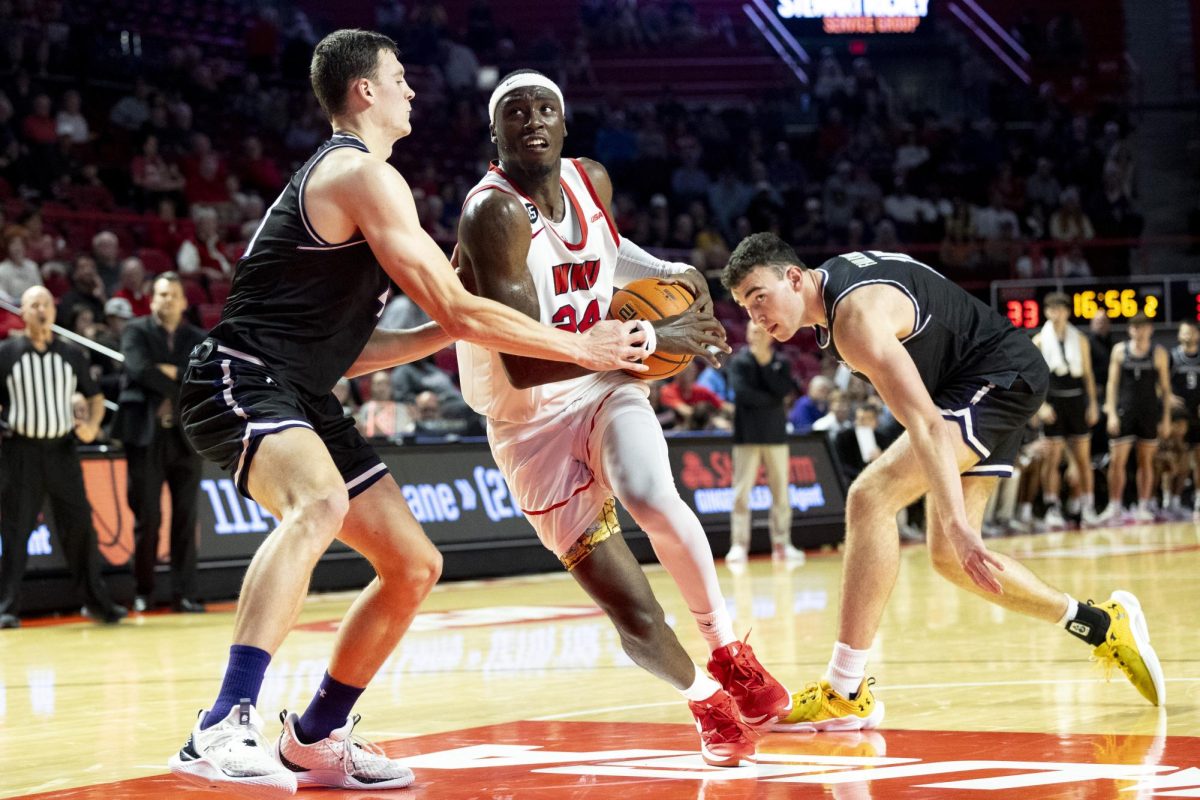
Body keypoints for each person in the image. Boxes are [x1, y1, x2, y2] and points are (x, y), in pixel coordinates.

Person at [168, 31, 647, 796]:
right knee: (317, 502)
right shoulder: (360, 172)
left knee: (415, 564)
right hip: (239, 375)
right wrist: (582, 347)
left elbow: (356, 353)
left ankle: (317, 737)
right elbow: (459, 303)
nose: (411, 92)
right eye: (399, 79)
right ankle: (221, 724)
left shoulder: (365, 182)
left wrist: (447, 324)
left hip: (303, 386)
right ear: (364, 92)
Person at [454, 69, 789, 768]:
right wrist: (648, 341)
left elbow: (608, 255)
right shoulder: (494, 214)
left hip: (601, 381)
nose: (534, 120)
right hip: (526, 416)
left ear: (567, 123)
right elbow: (523, 361)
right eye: (516, 112)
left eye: (546, 108)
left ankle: (729, 650)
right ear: (496, 133)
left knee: (648, 491)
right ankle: (705, 701)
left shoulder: (591, 181)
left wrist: (674, 274)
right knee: (629, 606)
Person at [721, 234, 1165, 733]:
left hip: (994, 376)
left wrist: (956, 521)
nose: (755, 317)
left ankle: (844, 689)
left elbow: (928, 424)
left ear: (794, 278)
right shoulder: (837, 289)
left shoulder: (855, 320)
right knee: (950, 560)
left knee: (870, 498)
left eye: (759, 297)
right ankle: (1100, 624)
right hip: (987, 376)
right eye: (744, 307)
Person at [0, 286, 128, 629]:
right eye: (33, 305)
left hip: (62, 451)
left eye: (45, 304)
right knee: (14, 530)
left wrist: (91, 427)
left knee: (80, 528)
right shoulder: (7, 352)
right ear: (23, 312)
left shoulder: (72, 354)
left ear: (54, 312)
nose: (41, 310)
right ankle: (6, 606)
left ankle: (97, 603)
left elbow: (96, 396)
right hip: (21, 452)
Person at [111, 273, 207, 613]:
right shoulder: (135, 330)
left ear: (183, 302)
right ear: (152, 299)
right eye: (161, 294)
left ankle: (185, 594)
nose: (167, 300)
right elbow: (138, 370)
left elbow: (203, 380)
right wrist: (181, 377)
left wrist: (170, 373)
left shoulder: (198, 337)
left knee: (185, 518)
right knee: (147, 517)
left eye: (173, 295)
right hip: (144, 436)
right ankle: (144, 590)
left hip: (185, 438)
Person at [726, 319, 803, 565]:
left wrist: (765, 365)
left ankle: (782, 543)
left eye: (759, 331)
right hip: (746, 437)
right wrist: (770, 399)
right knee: (741, 493)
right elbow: (742, 394)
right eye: (751, 331)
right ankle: (739, 545)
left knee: (781, 492)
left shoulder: (781, 363)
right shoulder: (738, 362)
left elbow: (782, 391)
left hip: (775, 436)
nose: (755, 335)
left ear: (769, 335)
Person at [1032, 293, 1100, 527]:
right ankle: (1052, 507)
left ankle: (1087, 505)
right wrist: (1040, 406)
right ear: (1047, 312)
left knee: (1083, 458)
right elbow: (1034, 380)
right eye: (1053, 309)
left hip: (1076, 400)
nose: (1057, 313)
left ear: (1067, 312)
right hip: (1053, 402)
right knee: (1052, 459)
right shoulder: (1039, 341)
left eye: (1061, 309)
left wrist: (1092, 404)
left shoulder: (1080, 339)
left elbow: (1089, 375)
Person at [1098, 315, 1171, 524]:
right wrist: (1111, 413)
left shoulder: (1158, 353)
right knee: (1117, 460)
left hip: (1148, 412)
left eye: (1143, 328)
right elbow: (1112, 384)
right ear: (1130, 330)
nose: (1139, 332)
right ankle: (1115, 506)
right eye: (1135, 328)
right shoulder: (1120, 351)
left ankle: (1144, 505)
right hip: (1124, 411)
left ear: (1150, 330)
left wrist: (1165, 418)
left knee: (1146, 461)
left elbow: (1165, 389)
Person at [1169, 320, 1200, 520]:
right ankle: (1172, 500)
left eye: (1190, 333)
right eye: (1184, 333)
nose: (1187, 336)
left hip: (1198, 414)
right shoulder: (1172, 356)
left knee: (1199, 459)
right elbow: (1159, 382)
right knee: (1178, 460)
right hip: (1179, 415)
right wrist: (1168, 396)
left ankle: (1198, 498)